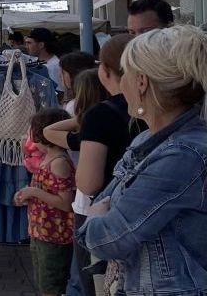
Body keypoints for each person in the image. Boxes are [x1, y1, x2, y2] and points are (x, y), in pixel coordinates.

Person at [77, 25, 207, 295]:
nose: (120, 83)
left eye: (126, 73)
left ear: (141, 82)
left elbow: (105, 238)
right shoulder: (149, 140)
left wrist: (95, 217)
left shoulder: (181, 155)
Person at [43, 34, 141, 296]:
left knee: (97, 282)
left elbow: (88, 182)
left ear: (105, 71)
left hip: (103, 209)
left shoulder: (101, 115)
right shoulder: (151, 107)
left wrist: (82, 121)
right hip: (143, 210)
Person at [16, 108, 75, 296]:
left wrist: (34, 192)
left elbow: (65, 202)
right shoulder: (46, 159)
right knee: (44, 281)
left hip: (54, 234)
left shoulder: (58, 162)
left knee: (52, 284)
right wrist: (28, 195)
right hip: (41, 232)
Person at [25, 28, 63, 94]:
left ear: (41, 45)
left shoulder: (55, 66)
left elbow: (59, 94)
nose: (26, 46)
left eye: (29, 43)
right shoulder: (36, 62)